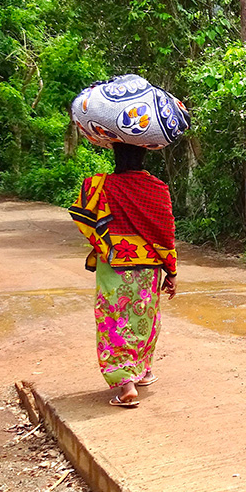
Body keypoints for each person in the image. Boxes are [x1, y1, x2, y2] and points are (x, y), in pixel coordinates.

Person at [69, 141, 178, 408]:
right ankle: (143, 371)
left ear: (115, 155)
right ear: (144, 155)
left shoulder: (99, 185)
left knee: (114, 322)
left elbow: (85, 219)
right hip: (149, 266)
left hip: (114, 263)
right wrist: (171, 270)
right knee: (144, 317)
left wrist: (103, 242)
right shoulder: (157, 189)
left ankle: (126, 383)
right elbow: (166, 231)